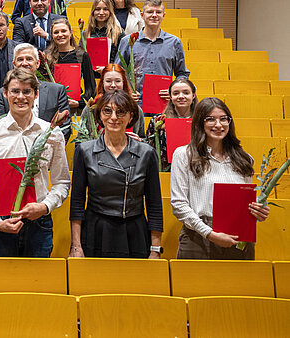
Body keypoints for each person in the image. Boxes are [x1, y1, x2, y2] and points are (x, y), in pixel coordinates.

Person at [0, 69, 70, 257]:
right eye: (15, 91)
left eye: (27, 92)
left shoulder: (52, 133)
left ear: (36, 94)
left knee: (38, 283)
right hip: (1, 222)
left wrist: (44, 207)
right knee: (0, 285)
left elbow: (62, 183)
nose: (21, 97)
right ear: (5, 93)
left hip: (39, 223)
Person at [170, 97, 269, 259]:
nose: (218, 125)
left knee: (239, 284)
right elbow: (178, 204)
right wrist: (209, 233)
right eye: (210, 119)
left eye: (223, 119)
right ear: (199, 123)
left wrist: (258, 211)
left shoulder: (244, 158)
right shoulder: (183, 155)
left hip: (238, 237)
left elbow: (244, 200)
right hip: (198, 236)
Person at [70, 90, 163, 259]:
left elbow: (154, 204)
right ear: (99, 114)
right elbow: (77, 202)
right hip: (96, 230)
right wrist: (76, 246)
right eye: (107, 111)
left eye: (120, 112)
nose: (113, 117)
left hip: (134, 231)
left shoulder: (146, 153)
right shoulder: (84, 151)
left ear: (131, 116)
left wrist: (155, 249)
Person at [0, 43, 72, 142]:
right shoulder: (2, 93)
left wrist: (44, 149)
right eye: (20, 59)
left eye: (29, 59)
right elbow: (1, 127)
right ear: (14, 64)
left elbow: (65, 127)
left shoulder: (57, 91)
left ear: (38, 63)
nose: (24, 63)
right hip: (14, 151)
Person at [115, 0, 190, 100]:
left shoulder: (174, 42)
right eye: (150, 12)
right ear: (142, 15)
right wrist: (126, 91)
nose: (154, 15)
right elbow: (118, 72)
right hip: (134, 102)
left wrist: (174, 90)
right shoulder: (127, 41)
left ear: (163, 15)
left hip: (163, 102)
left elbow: (182, 73)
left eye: (158, 12)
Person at [78, 64, 146, 139]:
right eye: (108, 81)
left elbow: (143, 138)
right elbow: (80, 140)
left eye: (117, 81)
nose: (113, 85)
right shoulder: (91, 108)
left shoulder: (135, 109)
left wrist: (139, 141)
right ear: (102, 83)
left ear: (123, 82)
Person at [146, 77, 198, 171]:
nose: (181, 96)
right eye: (176, 93)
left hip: (195, 169)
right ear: (170, 96)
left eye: (186, 93)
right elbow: (149, 147)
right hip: (166, 171)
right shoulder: (158, 120)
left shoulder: (201, 121)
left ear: (193, 95)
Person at [43, 18, 95, 110]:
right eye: (56, 32)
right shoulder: (46, 57)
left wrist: (79, 103)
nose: (60, 35)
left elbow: (90, 88)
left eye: (64, 31)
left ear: (70, 33)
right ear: (52, 36)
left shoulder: (82, 55)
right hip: (53, 108)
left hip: (76, 108)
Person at [82, 0, 123, 68]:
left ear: (110, 12)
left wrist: (109, 68)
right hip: (91, 75)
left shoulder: (118, 32)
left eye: (105, 9)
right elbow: (81, 55)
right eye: (97, 9)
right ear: (93, 12)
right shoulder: (86, 32)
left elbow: (122, 57)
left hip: (110, 74)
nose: (101, 13)